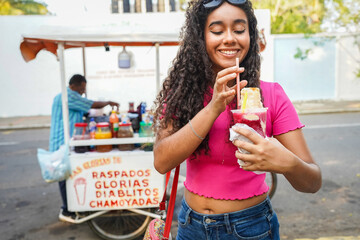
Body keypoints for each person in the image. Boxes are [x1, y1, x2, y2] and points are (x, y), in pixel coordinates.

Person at [152, 0, 322, 239]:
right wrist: (213, 107)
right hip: (191, 226)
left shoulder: (271, 95)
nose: (230, 38)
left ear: (250, 37)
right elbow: (161, 162)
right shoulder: (182, 94)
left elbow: (312, 182)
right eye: (217, 30)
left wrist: (287, 163)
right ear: (200, 38)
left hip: (250, 227)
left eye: (239, 30)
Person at [49, 74, 119, 222]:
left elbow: (85, 112)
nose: (83, 90)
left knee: (69, 175)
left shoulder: (67, 96)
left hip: (67, 142)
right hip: (62, 142)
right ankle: (66, 210)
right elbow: (93, 105)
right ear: (77, 85)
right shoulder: (68, 96)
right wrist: (109, 102)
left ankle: (73, 206)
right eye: (83, 87)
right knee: (64, 177)